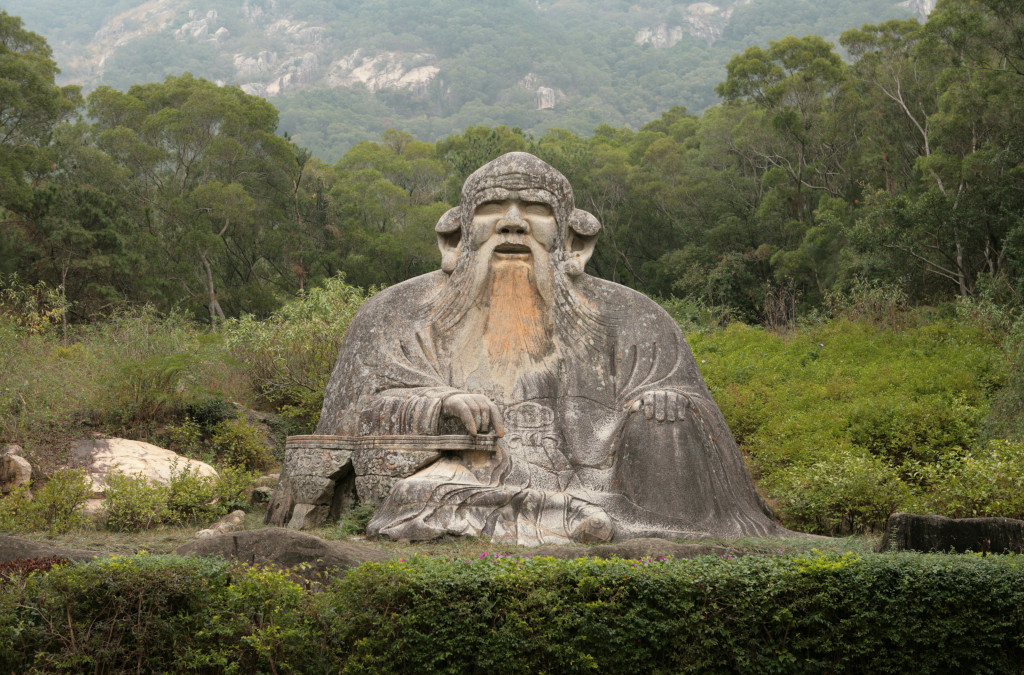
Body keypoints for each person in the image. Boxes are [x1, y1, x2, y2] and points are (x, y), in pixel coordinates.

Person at [316, 152, 783, 544]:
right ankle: (569, 518)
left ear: (573, 239)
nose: (513, 223)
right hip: (468, 476)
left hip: (599, 486)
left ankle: (575, 515)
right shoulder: (396, 312)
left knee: (670, 421)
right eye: (492, 207)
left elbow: (696, 413)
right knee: (425, 495)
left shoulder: (634, 317)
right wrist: (440, 405)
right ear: (456, 235)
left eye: (536, 209)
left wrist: (668, 404)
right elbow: (350, 419)